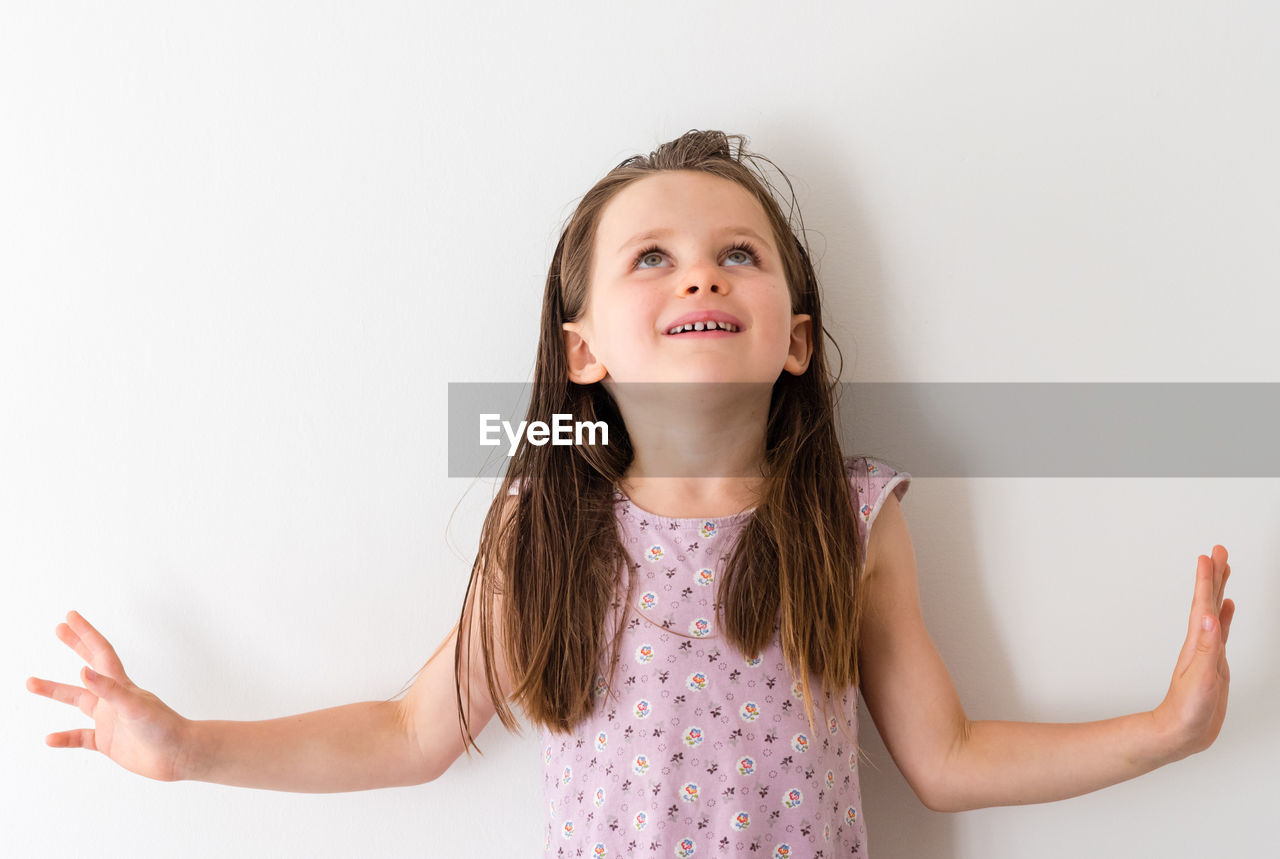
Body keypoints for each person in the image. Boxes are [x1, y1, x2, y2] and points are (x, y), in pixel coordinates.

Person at [26, 129, 1236, 857]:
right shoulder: (548, 524)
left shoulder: (851, 515)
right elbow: (408, 731)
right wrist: (186, 747)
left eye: (736, 252)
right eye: (649, 255)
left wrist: (1165, 730)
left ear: (796, 338)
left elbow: (947, 756)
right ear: (584, 350)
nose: (697, 270)